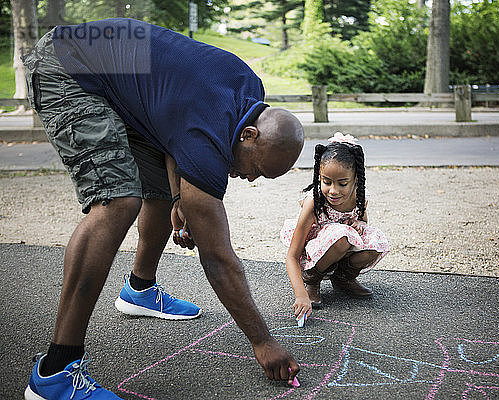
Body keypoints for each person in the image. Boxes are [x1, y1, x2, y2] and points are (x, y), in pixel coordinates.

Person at [22, 18, 304, 400]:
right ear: (249, 135)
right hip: (68, 63)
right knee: (118, 201)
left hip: (114, 66)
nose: (249, 178)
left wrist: (177, 197)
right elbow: (218, 259)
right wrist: (263, 341)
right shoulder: (209, 137)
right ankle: (56, 372)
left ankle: (139, 289)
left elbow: (171, 124)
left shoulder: (248, 92)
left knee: (154, 193)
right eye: (256, 168)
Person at [280, 132, 389, 320]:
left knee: (375, 240)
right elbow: (292, 255)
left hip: (342, 245)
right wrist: (300, 295)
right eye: (326, 182)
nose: (333, 190)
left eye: (342, 183)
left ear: (355, 181)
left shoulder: (360, 196)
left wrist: (360, 223)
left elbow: (363, 220)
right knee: (341, 235)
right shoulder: (313, 203)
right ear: (319, 177)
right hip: (316, 248)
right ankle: (312, 279)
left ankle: (343, 277)